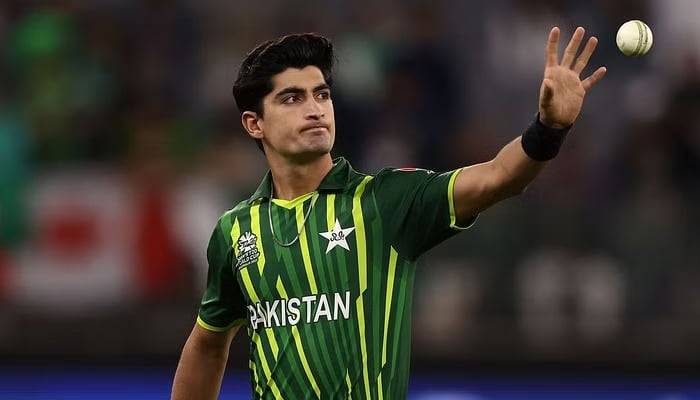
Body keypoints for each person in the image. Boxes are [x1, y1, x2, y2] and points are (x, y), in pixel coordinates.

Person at [171, 28, 606, 400]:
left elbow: (498, 177)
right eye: (292, 98)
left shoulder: (384, 201)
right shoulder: (236, 231)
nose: (315, 108)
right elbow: (208, 343)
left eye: (322, 94)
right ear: (255, 124)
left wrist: (548, 129)